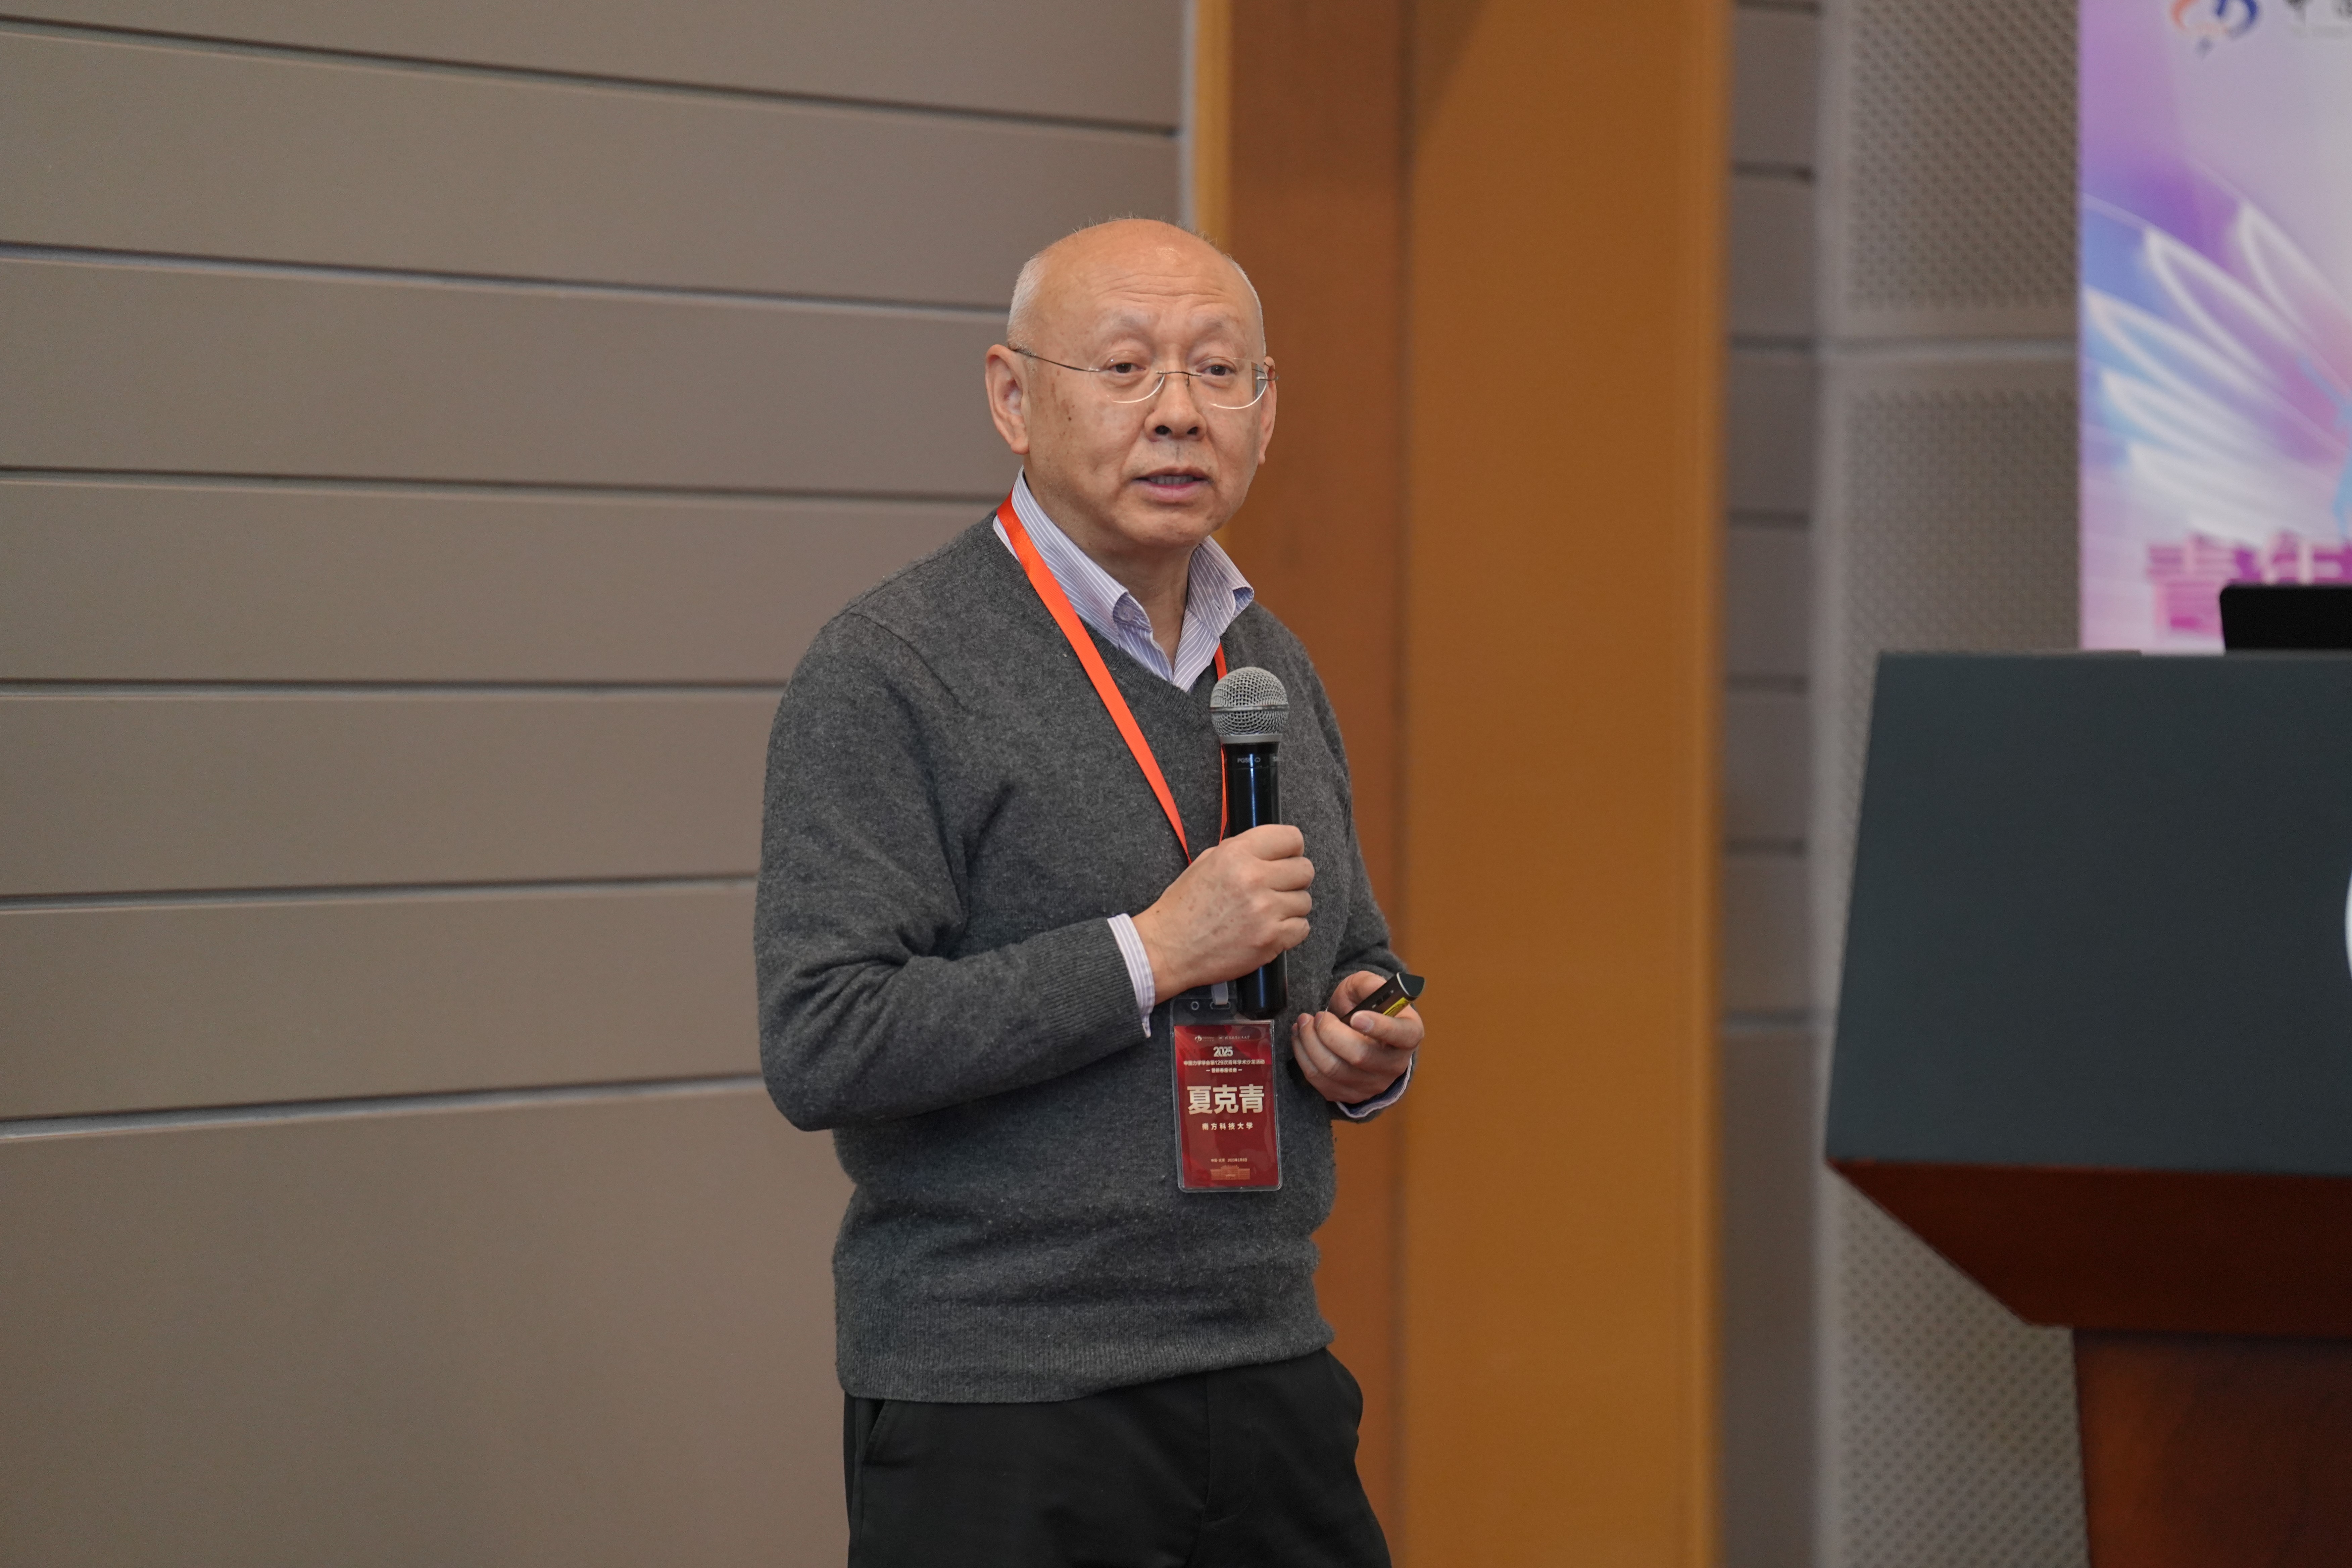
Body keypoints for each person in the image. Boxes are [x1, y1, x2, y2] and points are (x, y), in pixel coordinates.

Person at [755, 218, 1424, 1567]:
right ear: (1013, 397)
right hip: (1004, 1399)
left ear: (1267, 409)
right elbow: (827, 1038)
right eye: (1125, 369)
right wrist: (1153, 952)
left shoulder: (1267, 663)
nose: (1178, 412)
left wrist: (1366, 1035)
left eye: (1219, 371)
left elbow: (1346, 942)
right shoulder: (892, 668)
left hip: (1267, 1364)